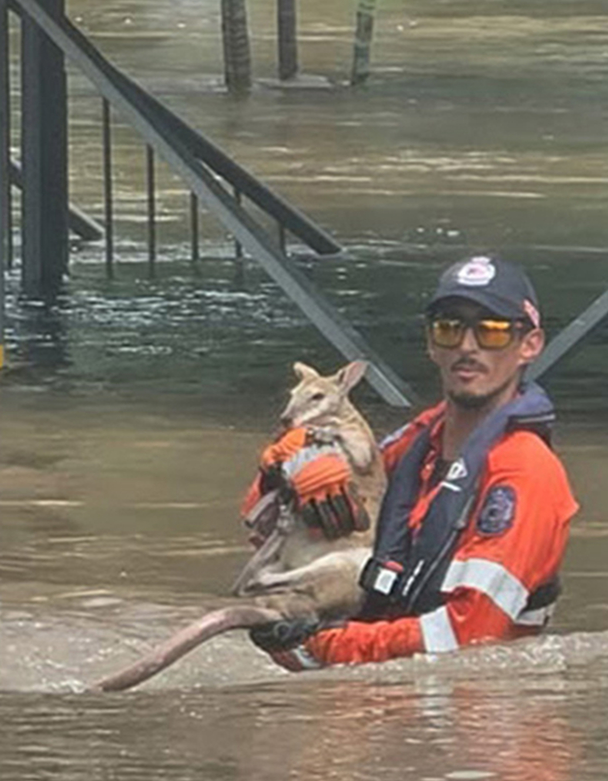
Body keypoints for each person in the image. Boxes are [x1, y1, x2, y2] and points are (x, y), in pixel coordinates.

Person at [244, 253, 578, 672]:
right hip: (377, 675)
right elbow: (260, 531)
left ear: (530, 345)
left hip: (470, 703)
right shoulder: (413, 446)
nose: (467, 346)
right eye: (449, 329)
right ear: (431, 344)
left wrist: (329, 646)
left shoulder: (526, 472)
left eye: (491, 332)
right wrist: (287, 468)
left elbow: (472, 636)